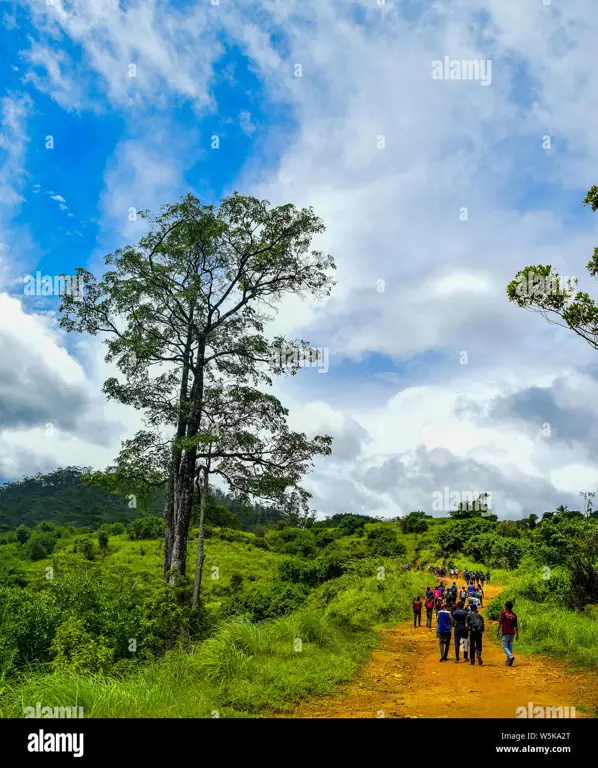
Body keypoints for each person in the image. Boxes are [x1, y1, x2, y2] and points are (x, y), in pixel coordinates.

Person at [497, 601, 519, 666]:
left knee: (504, 646)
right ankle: (508, 661)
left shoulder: (504, 613)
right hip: (512, 633)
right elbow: (516, 625)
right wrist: (517, 634)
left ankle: (510, 656)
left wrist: (497, 630)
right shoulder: (514, 615)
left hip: (506, 632)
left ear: (506, 606)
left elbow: (500, 622)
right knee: (510, 647)